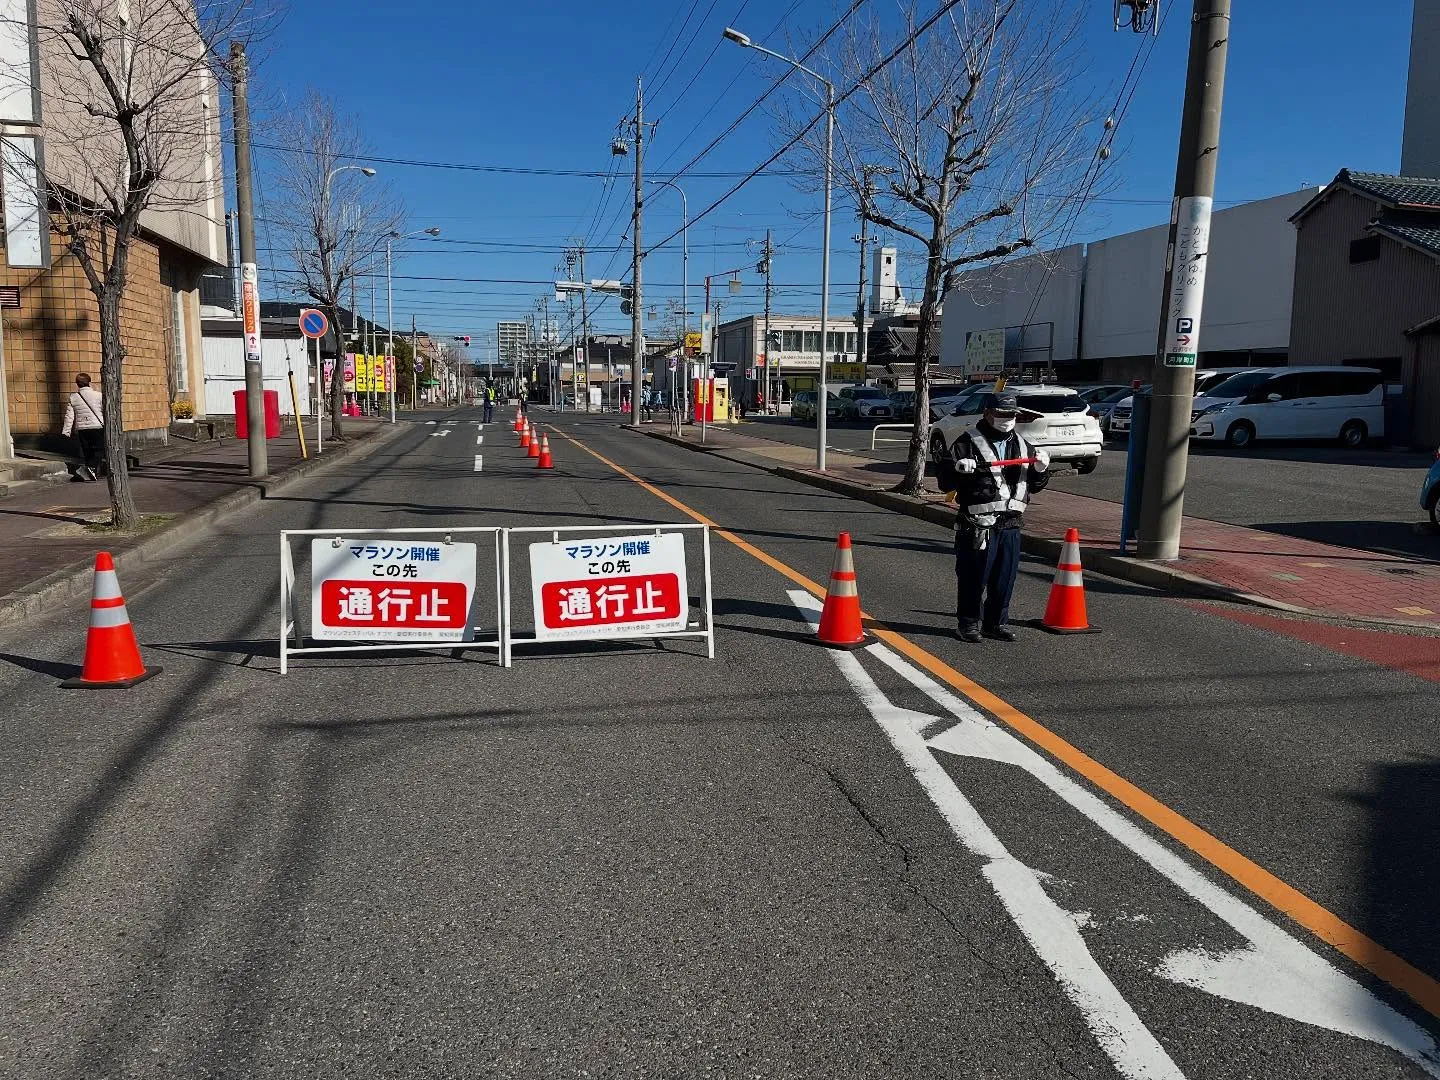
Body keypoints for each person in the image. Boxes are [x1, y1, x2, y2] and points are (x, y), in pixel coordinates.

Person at [933, 390, 1050, 643]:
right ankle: (968, 624)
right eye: (1001, 414)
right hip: (977, 525)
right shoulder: (966, 442)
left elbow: (1035, 485)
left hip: (1011, 523)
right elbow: (944, 483)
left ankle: (995, 623)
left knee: (1004, 579)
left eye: (1011, 415)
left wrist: (1041, 470)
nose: (1007, 419)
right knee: (974, 577)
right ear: (987, 414)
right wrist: (959, 470)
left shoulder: (1021, 444)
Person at [61, 372, 105, 481]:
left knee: (87, 451)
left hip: (82, 428)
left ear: (77, 384)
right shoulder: (99, 395)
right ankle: (92, 469)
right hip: (97, 426)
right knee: (99, 449)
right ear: (90, 383)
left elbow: (69, 415)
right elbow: (105, 411)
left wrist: (66, 431)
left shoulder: (73, 397)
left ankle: (90, 471)